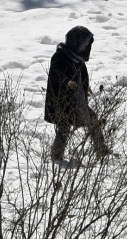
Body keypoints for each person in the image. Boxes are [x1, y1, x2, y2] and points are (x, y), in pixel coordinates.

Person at [45, 25, 109, 160]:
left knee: (93, 119)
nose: (86, 49)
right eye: (84, 46)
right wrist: (66, 81)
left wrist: (84, 88)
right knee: (64, 127)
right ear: (77, 44)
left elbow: (81, 78)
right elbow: (55, 72)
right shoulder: (60, 56)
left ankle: (101, 149)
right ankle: (56, 157)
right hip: (63, 103)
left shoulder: (78, 60)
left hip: (77, 101)